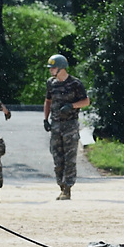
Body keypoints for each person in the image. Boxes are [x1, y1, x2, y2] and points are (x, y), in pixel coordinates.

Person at [43, 54, 89, 200]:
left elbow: (86, 101)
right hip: (56, 124)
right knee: (57, 157)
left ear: (62, 68)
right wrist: (45, 118)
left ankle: (67, 188)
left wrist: (72, 106)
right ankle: (61, 186)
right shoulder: (51, 83)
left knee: (70, 158)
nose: (51, 70)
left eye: (53, 67)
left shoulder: (75, 83)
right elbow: (48, 101)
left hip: (70, 125)